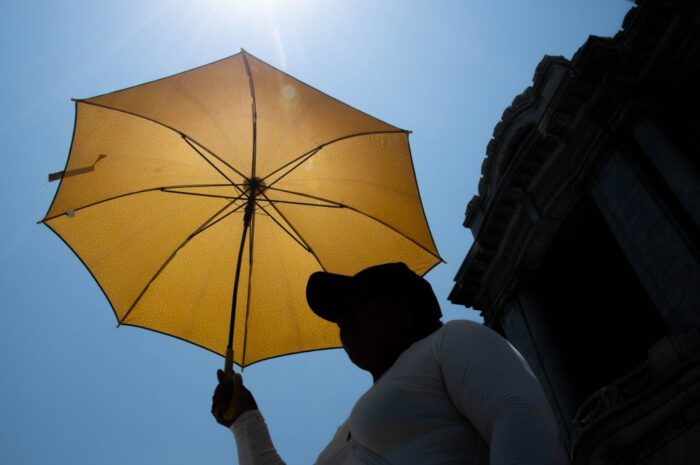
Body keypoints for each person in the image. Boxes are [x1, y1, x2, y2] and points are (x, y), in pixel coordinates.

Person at [212, 262, 567, 464]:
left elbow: (517, 414)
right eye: (338, 315)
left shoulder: (451, 339)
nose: (342, 320)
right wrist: (245, 419)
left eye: (356, 304)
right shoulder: (347, 428)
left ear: (405, 310)